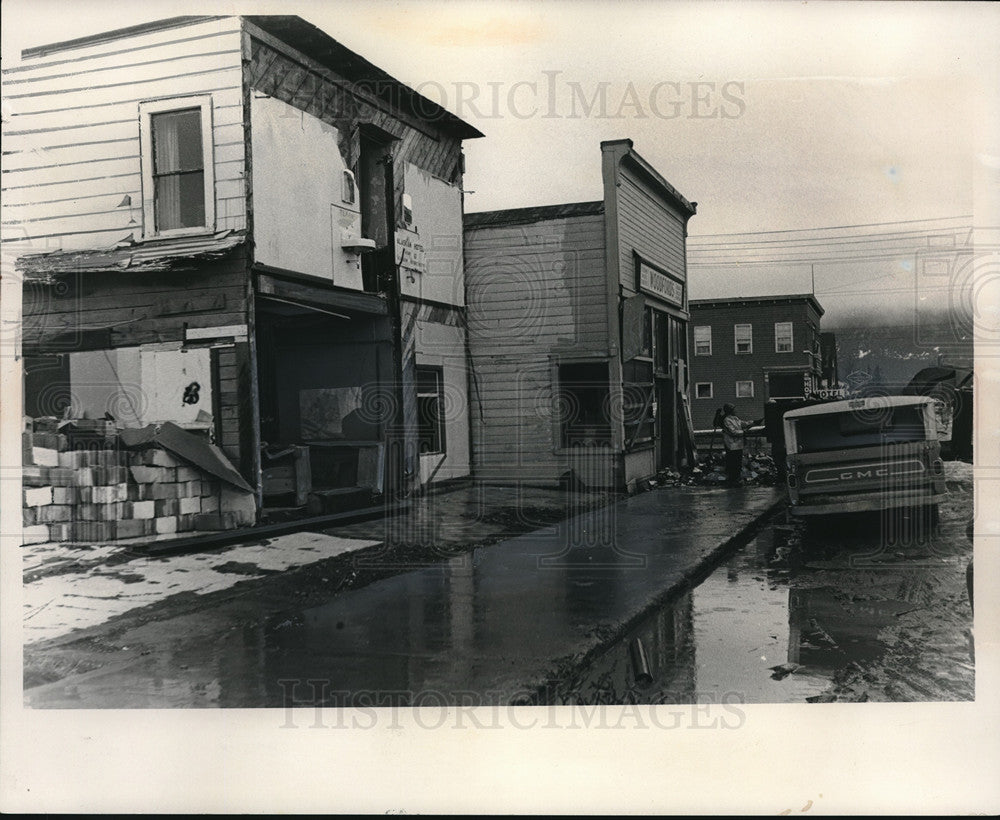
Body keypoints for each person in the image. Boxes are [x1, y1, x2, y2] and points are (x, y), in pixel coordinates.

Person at [720, 404, 762, 487]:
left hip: (738, 444)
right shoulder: (727, 420)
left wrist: (754, 422)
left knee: (738, 462)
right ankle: (732, 480)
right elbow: (733, 432)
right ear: (730, 411)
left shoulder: (735, 418)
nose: (736, 411)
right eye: (734, 409)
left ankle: (736, 479)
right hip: (731, 445)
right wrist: (744, 432)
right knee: (733, 463)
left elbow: (743, 423)